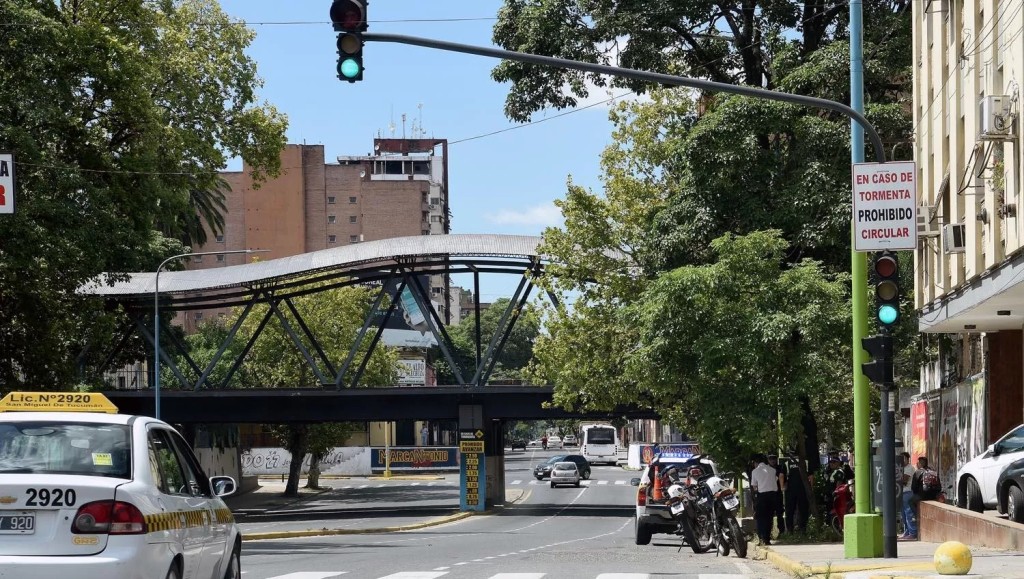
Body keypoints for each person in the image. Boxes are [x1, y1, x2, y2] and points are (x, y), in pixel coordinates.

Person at [906, 456, 941, 541]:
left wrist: (917, 493)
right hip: (933, 496)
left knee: (910, 501)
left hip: (922, 495)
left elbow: (913, 487)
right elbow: (939, 486)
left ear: (920, 463)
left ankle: (917, 515)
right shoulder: (933, 471)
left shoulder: (918, 472)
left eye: (917, 463)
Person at [750, 453, 778, 545]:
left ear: (756, 462)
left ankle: (761, 537)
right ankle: (767, 538)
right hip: (773, 496)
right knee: (769, 517)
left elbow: (754, 487)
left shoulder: (755, 471)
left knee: (761, 517)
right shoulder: (772, 470)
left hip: (762, 496)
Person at [784, 454, 810, 533]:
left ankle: (790, 530)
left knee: (790, 510)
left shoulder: (787, 463)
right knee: (803, 510)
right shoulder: (806, 462)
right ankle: (803, 529)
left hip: (790, 490)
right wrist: (810, 488)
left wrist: (783, 487)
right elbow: (811, 476)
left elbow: (782, 475)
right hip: (803, 489)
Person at [899, 452, 916, 540]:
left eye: (904, 458)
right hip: (902, 493)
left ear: (907, 459)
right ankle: (907, 532)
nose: (902, 460)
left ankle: (912, 532)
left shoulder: (909, 468)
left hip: (907, 492)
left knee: (908, 513)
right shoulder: (902, 468)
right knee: (904, 514)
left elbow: (904, 481)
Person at [768, 454, 787, 535]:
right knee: (769, 514)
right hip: (769, 494)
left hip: (778, 493)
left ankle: (781, 531)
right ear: (768, 460)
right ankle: (770, 532)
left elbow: (784, 479)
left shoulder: (780, 468)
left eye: (774, 459)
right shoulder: (766, 469)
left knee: (779, 514)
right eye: (771, 459)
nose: (772, 460)